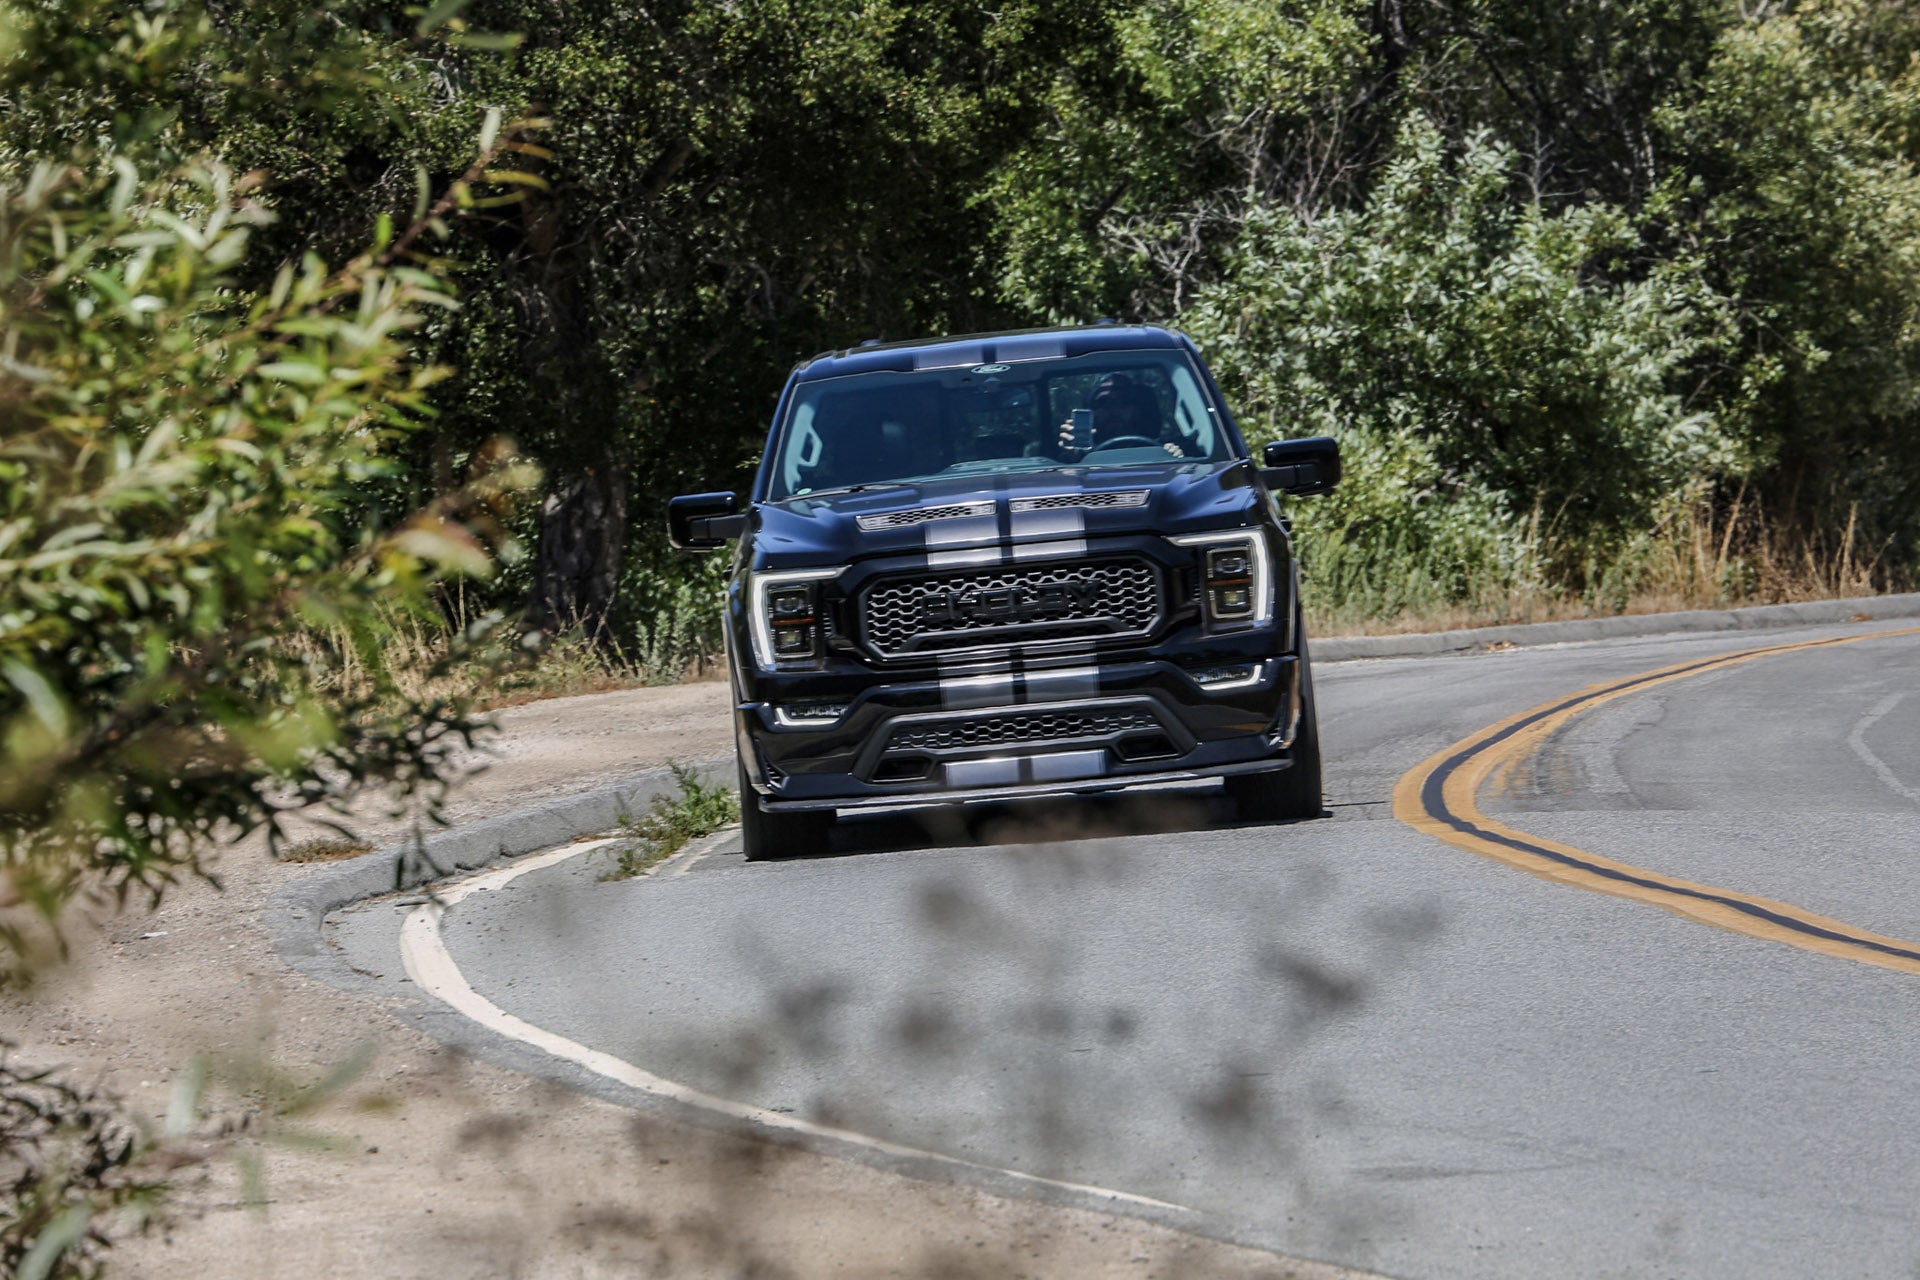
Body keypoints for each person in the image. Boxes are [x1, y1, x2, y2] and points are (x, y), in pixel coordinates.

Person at [1055, 373, 1184, 457]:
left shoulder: (1159, 451)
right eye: (1103, 403)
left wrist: (1174, 459)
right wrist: (1072, 456)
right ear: (1091, 412)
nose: (1113, 410)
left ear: (1136, 410)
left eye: (1123, 402)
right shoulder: (1078, 455)